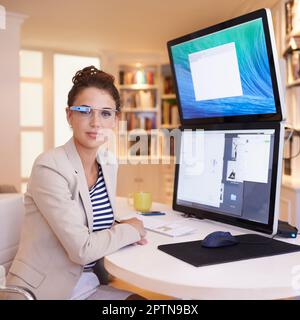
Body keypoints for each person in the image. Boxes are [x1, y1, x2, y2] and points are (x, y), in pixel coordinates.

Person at [5, 66, 147, 300]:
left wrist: (124, 225)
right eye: (84, 111)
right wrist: (131, 229)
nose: (96, 122)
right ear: (69, 115)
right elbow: (82, 249)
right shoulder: (49, 166)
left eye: (105, 113)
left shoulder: (108, 163)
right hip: (43, 292)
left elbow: (90, 216)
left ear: (116, 120)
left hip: (88, 283)